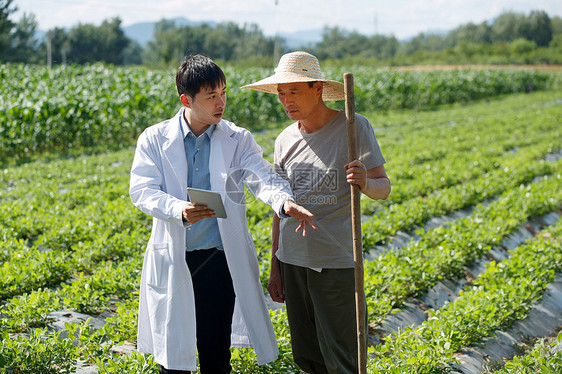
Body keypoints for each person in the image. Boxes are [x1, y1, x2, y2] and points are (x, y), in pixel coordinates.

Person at [129, 54, 315, 373]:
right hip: (176, 258)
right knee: (172, 359)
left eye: (224, 93)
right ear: (186, 99)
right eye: (211, 96)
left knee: (216, 354)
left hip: (218, 260)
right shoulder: (154, 139)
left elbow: (262, 176)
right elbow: (142, 190)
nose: (221, 102)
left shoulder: (237, 139)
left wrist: (283, 202)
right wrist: (179, 210)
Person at [242, 51, 391, 373]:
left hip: (336, 262)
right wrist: (276, 266)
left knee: (342, 356)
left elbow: (384, 187)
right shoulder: (285, 139)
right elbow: (279, 207)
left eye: (294, 91)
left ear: (318, 88)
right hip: (294, 262)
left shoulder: (353, 128)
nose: (286, 101)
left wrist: (365, 181)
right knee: (307, 355)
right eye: (281, 93)